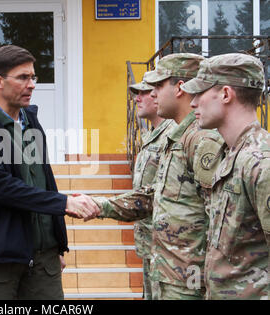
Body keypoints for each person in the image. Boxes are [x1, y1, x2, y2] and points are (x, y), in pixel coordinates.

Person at [0, 45, 99, 300]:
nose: (31, 84)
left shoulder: (31, 122)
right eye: (23, 77)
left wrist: (55, 243)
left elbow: (43, 181)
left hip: (43, 260)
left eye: (33, 77)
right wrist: (63, 203)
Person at [86, 53, 225, 299]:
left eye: (159, 86)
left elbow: (220, 218)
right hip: (168, 271)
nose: (152, 94)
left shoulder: (203, 140)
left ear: (180, 88)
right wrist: (100, 206)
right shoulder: (176, 138)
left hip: (189, 278)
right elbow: (156, 197)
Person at [181, 53, 269, 299]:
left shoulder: (260, 163)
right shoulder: (231, 155)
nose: (192, 103)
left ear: (226, 94)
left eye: (200, 93)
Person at [128, 75, 176, 299]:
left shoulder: (172, 136)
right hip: (149, 244)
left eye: (143, 92)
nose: (137, 99)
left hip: (167, 249)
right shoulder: (150, 136)